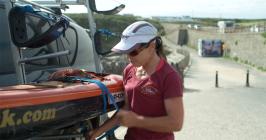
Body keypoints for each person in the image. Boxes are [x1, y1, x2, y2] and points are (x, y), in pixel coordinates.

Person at [87, 21, 184, 140]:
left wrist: (137, 121)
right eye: (126, 51)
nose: (128, 57)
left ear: (152, 46)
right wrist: (97, 132)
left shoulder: (169, 77)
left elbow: (176, 123)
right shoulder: (129, 70)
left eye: (133, 52)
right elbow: (127, 108)